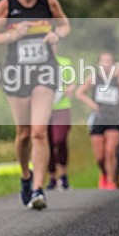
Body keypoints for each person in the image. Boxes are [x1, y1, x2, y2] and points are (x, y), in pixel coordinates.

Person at [0, 0, 71, 210]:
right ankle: (25, 175)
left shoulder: (49, 2)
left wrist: (57, 34)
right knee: (23, 134)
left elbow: (66, 26)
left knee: (38, 132)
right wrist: (13, 34)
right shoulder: (7, 5)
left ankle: (38, 189)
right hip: (16, 73)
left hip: (44, 71)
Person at [76, 51, 119, 190]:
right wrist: (92, 105)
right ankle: (104, 173)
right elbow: (79, 93)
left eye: (109, 61)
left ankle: (110, 181)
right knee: (100, 157)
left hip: (114, 118)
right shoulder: (93, 77)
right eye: (103, 61)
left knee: (110, 152)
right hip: (99, 118)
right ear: (98, 63)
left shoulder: (118, 80)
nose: (106, 64)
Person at [47, 52, 75, 190]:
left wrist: (70, 88)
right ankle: (52, 176)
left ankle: (63, 175)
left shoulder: (64, 61)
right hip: (43, 108)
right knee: (47, 143)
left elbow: (72, 81)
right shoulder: (37, 63)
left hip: (61, 107)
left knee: (60, 139)